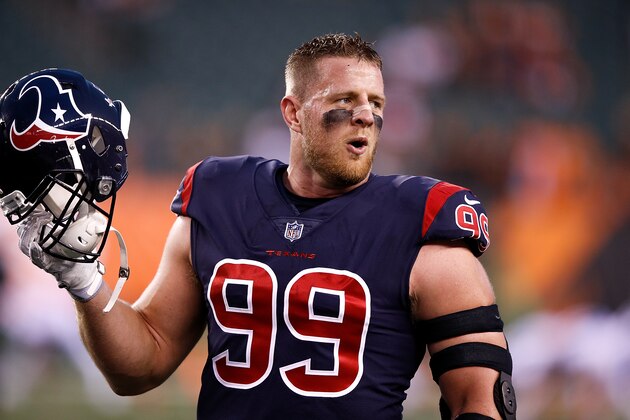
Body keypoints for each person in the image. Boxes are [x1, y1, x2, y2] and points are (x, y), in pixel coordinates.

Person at [0, 34, 516, 419]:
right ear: (292, 113)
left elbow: (483, 399)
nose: (365, 117)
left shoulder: (422, 221)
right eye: (344, 101)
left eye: (376, 104)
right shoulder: (218, 196)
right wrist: (85, 282)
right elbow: (141, 363)